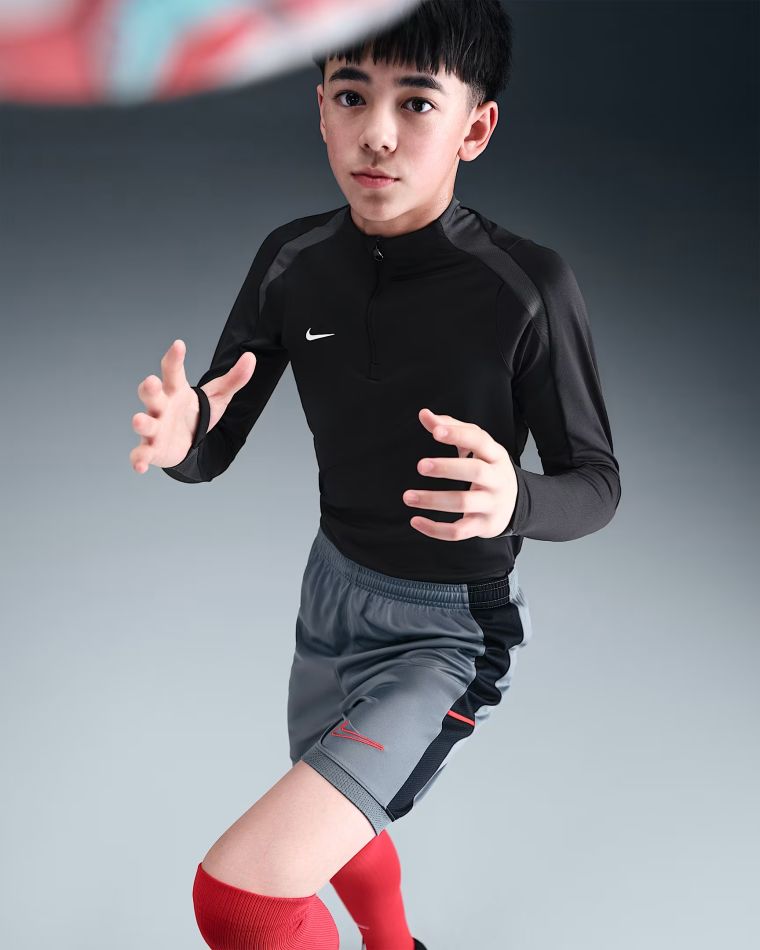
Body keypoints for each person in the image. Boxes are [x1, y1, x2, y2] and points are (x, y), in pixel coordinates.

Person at [129, 2, 621, 947]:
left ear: (476, 126)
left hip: (449, 633)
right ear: (321, 109)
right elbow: (212, 448)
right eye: (352, 96)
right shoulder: (292, 260)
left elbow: (597, 484)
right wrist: (185, 437)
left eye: (418, 103)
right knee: (337, 819)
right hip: (330, 598)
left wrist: (516, 499)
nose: (378, 134)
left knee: (241, 900)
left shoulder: (528, 286)